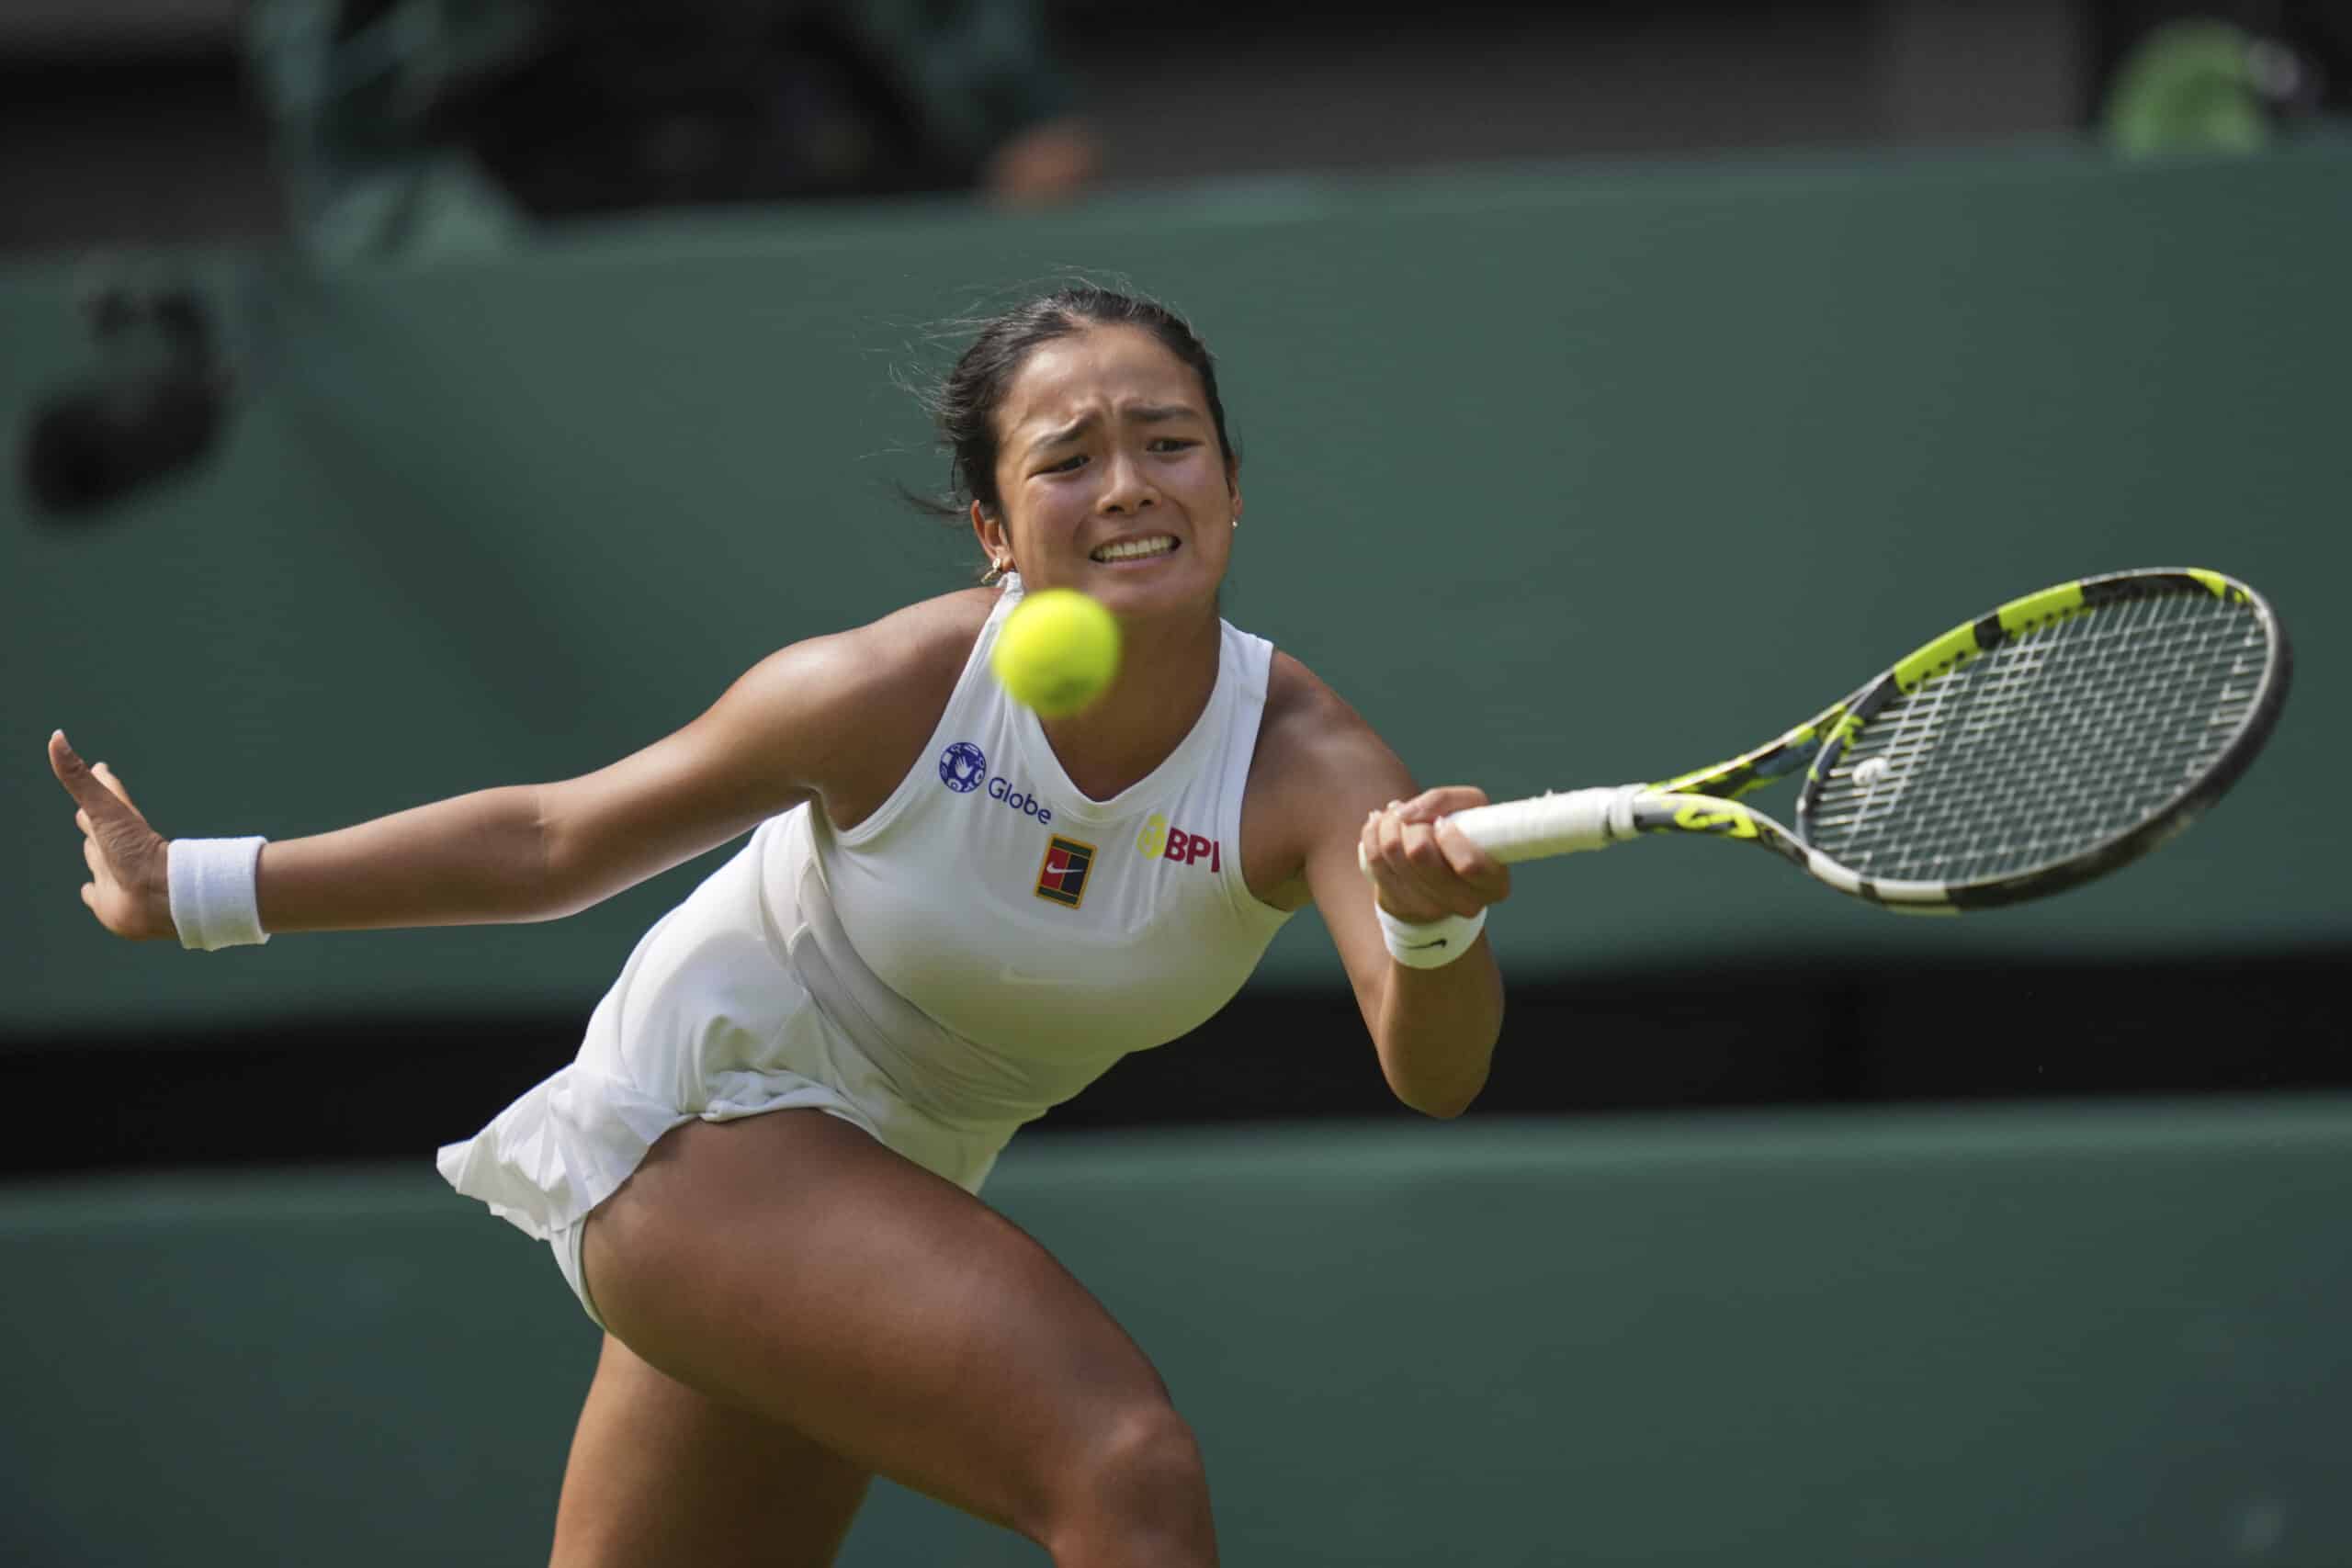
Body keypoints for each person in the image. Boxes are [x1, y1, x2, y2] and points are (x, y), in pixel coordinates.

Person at [48, 283, 1509, 1568]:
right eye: (1069, 460)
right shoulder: (884, 691)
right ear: (996, 533)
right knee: (1124, 1468)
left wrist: (1431, 930)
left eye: (1169, 443)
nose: (1128, 486)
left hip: (882, 1189)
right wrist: (194, 890)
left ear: (1234, 488)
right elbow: (556, 840)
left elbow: (1433, 1071)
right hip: (704, 1121)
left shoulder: (1310, 764)